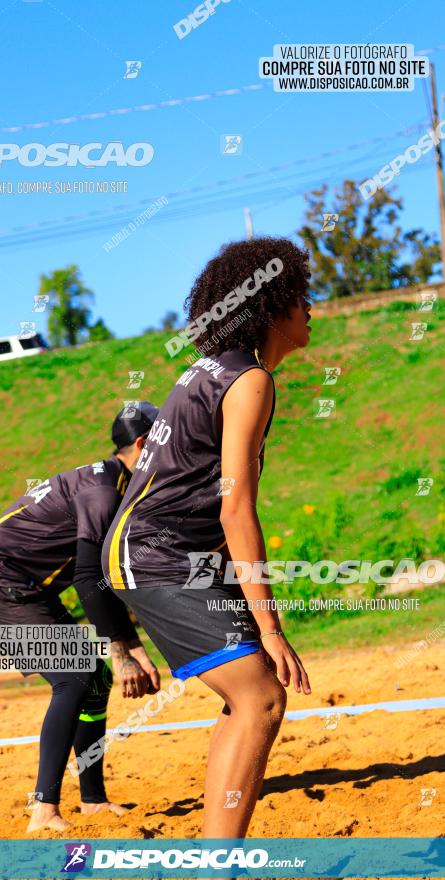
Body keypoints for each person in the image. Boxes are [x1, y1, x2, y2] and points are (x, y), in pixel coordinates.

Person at [102, 237, 313, 838]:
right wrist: (269, 627)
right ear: (271, 306)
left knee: (248, 696)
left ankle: (213, 858)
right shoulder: (247, 380)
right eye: (301, 294)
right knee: (263, 699)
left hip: (160, 551)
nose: (311, 305)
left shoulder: (216, 371)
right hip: (155, 553)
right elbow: (235, 510)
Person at [0, 402, 161, 833]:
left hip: (28, 586)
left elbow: (104, 579)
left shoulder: (117, 482)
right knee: (73, 677)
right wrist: (125, 651)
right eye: (164, 439)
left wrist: (131, 645)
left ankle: (91, 800)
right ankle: (43, 809)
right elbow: (90, 579)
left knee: (93, 679)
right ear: (144, 444)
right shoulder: (104, 492)